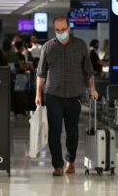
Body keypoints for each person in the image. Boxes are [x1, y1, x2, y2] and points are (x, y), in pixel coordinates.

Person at [36, 16, 97, 176]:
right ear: (54, 29)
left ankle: (70, 161)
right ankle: (57, 165)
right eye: (57, 30)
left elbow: (88, 71)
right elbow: (41, 73)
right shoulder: (48, 47)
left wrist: (92, 88)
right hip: (53, 94)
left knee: (73, 131)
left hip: (74, 94)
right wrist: (38, 93)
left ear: (69, 28)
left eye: (63, 29)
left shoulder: (80, 45)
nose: (61, 32)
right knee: (54, 131)